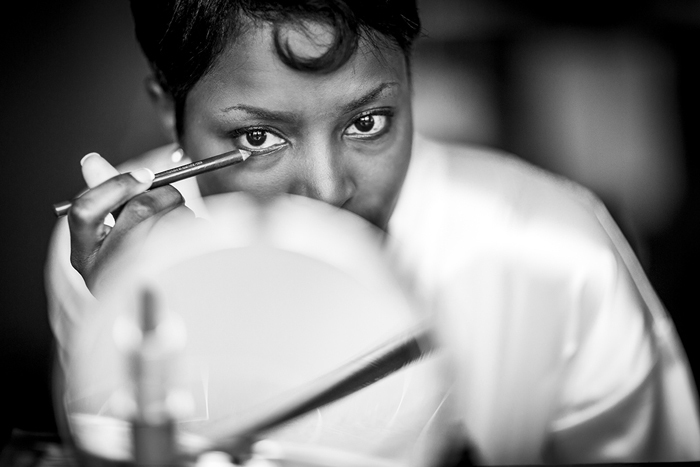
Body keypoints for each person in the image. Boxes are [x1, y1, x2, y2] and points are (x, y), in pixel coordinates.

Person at [45, 0, 700, 464]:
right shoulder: (118, 252)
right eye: (257, 137)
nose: (328, 189)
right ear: (169, 110)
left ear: (411, 78)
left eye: (367, 123)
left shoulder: (553, 254)